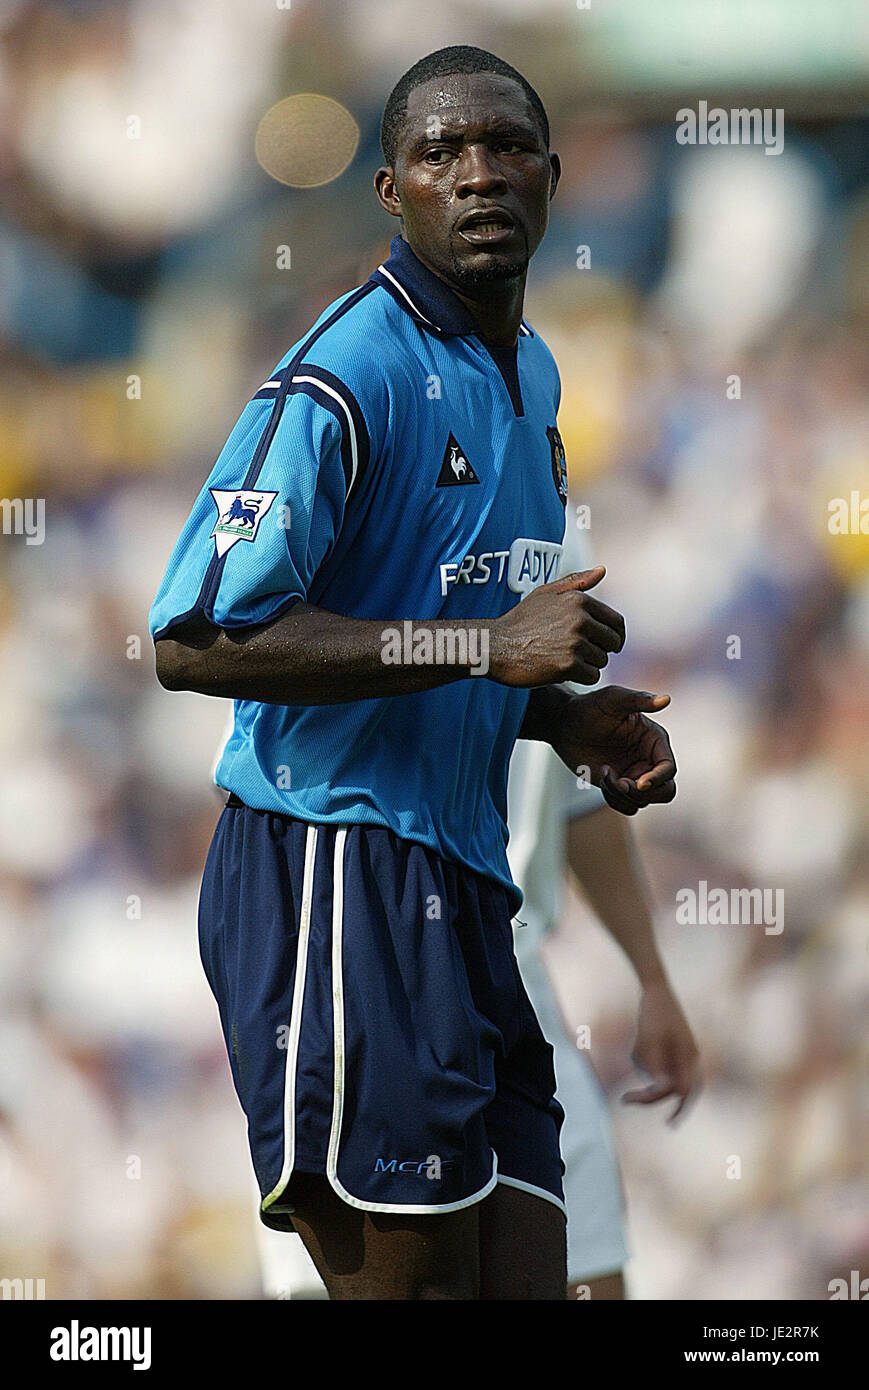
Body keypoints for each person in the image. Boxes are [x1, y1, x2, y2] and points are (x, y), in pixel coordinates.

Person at [149, 44, 678, 1300]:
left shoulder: (530, 374)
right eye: (442, 154)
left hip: (466, 885)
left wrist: (553, 716)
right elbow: (195, 639)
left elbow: (439, 633)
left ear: (552, 178)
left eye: (504, 148)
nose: (478, 175)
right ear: (391, 190)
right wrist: (490, 651)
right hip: (332, 868)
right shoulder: (347, 369)